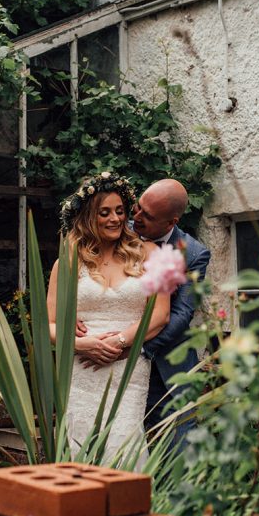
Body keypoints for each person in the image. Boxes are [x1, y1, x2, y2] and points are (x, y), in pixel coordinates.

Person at [47, 173, 171, 457]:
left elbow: (161, 314)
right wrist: (82, 344)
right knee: (79, 445)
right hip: (81, 370)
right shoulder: (67, 261)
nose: (115, 219)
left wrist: (118, 342)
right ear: (89, 217)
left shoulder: (151, 254)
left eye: (119, 211)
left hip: (127, 368)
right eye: (104, 213)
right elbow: (49, 326)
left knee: (124, 445)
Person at [120, 179, 211, 432]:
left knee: (178, 452)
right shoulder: (118, 233)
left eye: (147, 216)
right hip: (116, 365)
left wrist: (138, 349)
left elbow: (182, 314)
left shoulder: (193, 254)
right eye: (137, 207)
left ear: (172, 222)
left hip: (170, 368)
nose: (135, 217)